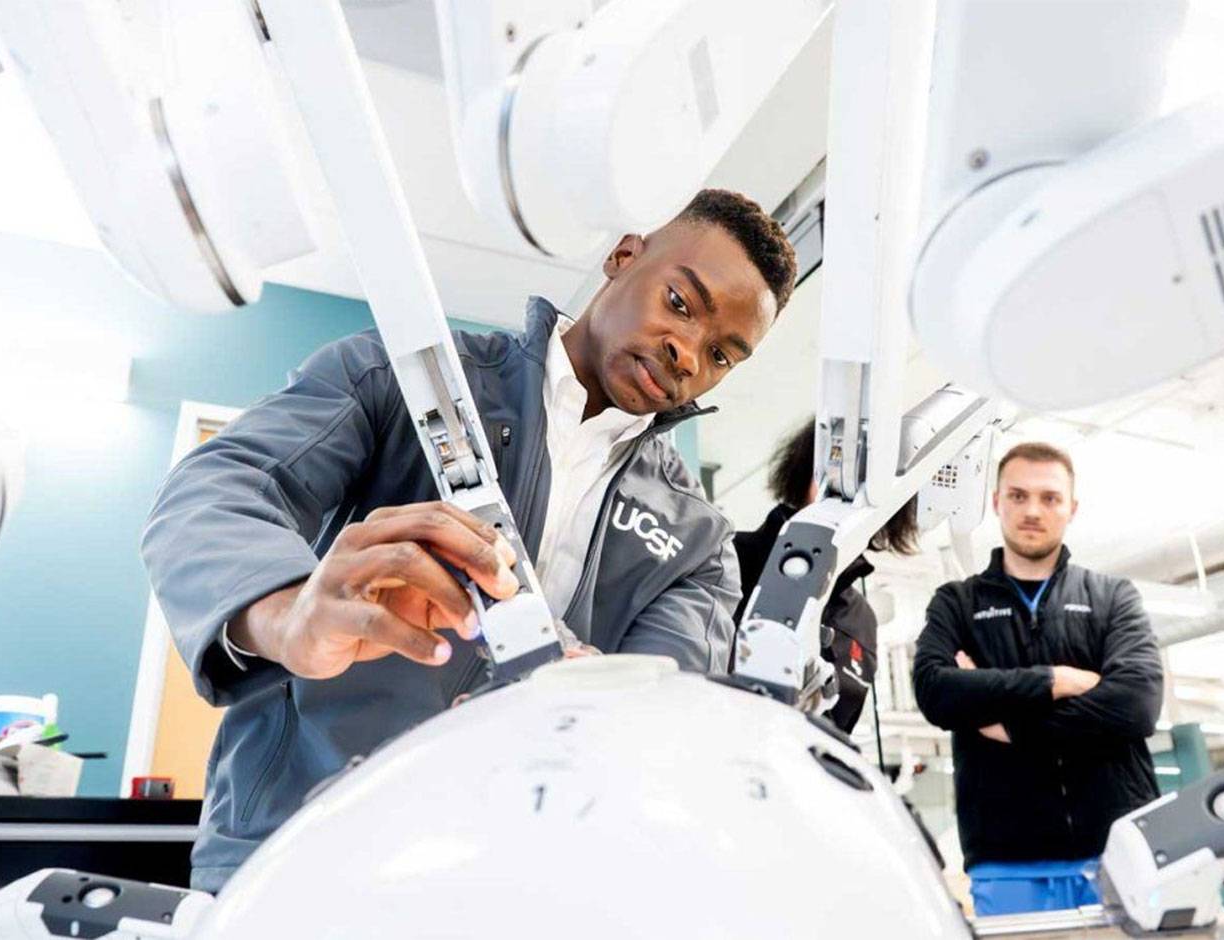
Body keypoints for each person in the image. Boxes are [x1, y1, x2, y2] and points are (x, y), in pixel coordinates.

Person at [142, 189, 798, 892]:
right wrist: (284, 613)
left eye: (723, 354)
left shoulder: (697, 546)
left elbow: (653, 720)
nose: (687, 353)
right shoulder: (405, 378)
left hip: (498, 881)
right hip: (294, 852)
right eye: (679, 303)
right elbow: (218, 490)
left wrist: (596, 709)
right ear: (623, 257)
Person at [911, 441, 1163, 916]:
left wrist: (1006, 722)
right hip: (1006, 861)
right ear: (996, 503)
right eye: (1018, 495)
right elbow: (935, 691)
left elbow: (1137, 702)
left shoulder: (1112, 596)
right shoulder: (958, 603)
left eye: (1050, 498)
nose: (1033, 510)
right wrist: (1053, 679)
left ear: (1072, 508)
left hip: (1121, 850)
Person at [731, 419, 917, 733]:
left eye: (869, 482)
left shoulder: (860, 620)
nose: (852, 495)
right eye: (837, 473)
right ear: (806, 472)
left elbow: (837, 728)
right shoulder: (728, 557)